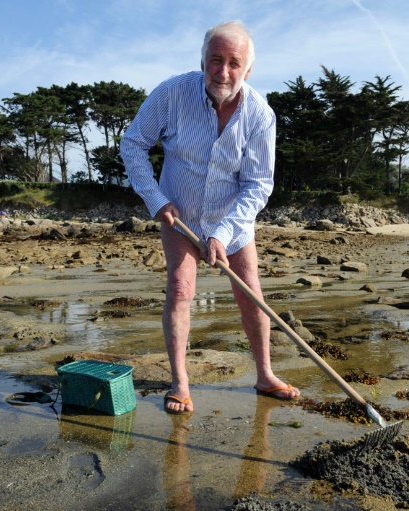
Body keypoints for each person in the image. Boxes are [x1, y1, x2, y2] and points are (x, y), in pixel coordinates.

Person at [121, 20, 300, 415]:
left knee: (250, 293)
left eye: (234, 63)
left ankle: (265, 375)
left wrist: (222, 233)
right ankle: (180, 383)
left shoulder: (260, 115)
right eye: (215, 60)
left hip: (232, 220)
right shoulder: (171, 94)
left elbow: (257, 186)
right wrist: (155, 198)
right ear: (202, 61)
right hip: (178, 217)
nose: (223, 72)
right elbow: (133, 143)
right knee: (181, 289)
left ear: (247, 70)